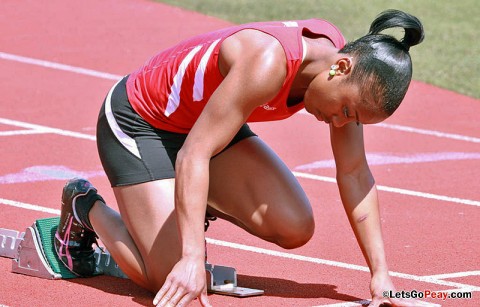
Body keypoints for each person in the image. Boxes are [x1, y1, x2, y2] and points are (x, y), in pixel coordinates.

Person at [53, 9, 428, 307]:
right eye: (346, 109)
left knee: (294, 226)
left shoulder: (347, 74)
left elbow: (355, 172)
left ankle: (186, 203)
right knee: (167, 277)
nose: (341, 122)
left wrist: (381, 275)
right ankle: (85, 207)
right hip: (139, 121)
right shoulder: (267, 62)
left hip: (206, 126)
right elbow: (194, 153)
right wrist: (190, 258)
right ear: (340, 67)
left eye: (354, 119)